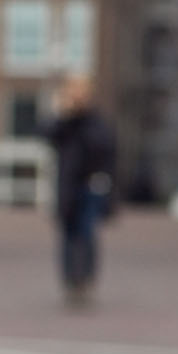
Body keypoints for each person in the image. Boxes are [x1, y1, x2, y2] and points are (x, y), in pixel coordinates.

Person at [43, 74, 117, 307]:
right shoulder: (64, 121)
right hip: (67, 186)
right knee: (67, 236)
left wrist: (81, 116)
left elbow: (102, 147)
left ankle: (85, 281)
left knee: (86, 234)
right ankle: (69, 283)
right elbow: (47, 134)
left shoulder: (95, 120)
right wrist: (65, 114)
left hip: (90, 186)